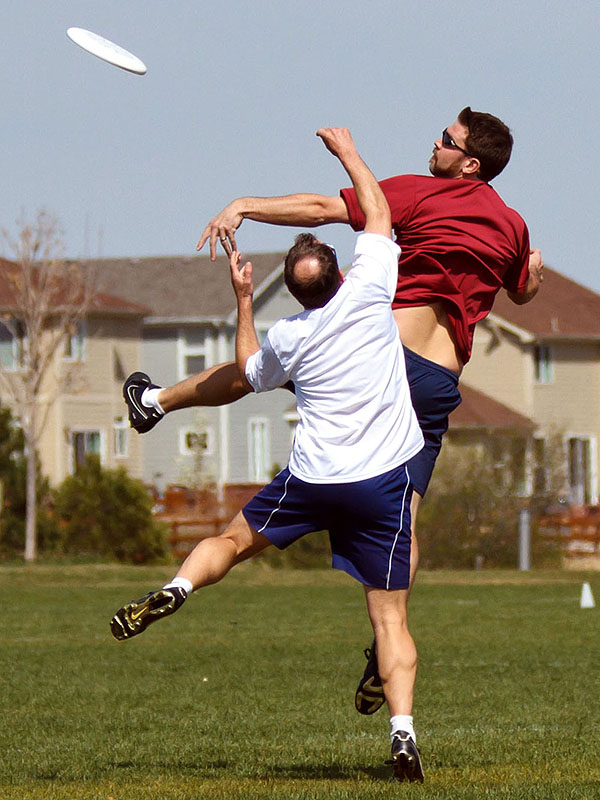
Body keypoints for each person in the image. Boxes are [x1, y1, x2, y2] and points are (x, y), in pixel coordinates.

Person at [122, 106, 544, 714]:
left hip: (385, 359)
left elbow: (324, 209)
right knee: (406, 518)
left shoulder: (421, 195)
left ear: (470, 163)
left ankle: (154, 402)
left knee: (262, 368)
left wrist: (245, 204)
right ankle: (386, 640)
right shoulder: (511, 224)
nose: (435, 142)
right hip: (438, 384)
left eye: (446, 140)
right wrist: (531, 277)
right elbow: (522, 289)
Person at [111, 127, 426, 782]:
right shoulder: (372, 291)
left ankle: (175, 589)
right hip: (381, 483)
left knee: (229, 540)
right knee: (387, 614)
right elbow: (378, 210)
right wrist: (347, 153)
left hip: (312, 477)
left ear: (298, 289)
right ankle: (402, 734)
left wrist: (244, 299)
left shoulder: (293, 336)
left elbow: (247, 370)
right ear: (341, 273)